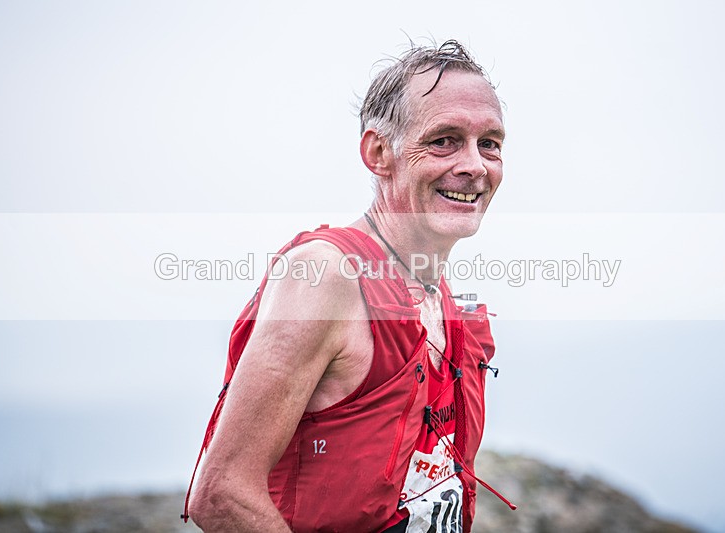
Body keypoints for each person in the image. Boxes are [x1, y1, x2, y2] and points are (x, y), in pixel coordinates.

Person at [185, 39, 510, 532]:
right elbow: (221, 494)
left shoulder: (438, 294)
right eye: (444, 140)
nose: (475, 166)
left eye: (489, 143)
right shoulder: (325, 277)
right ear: (379, 152)